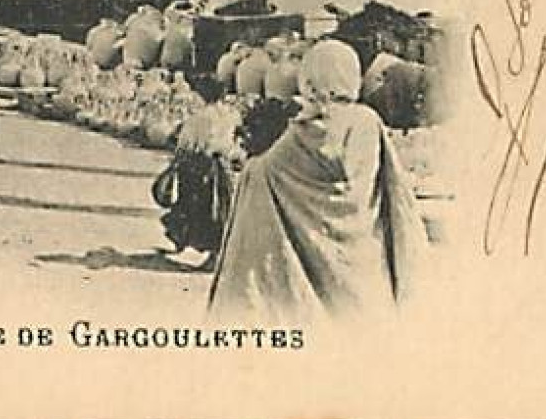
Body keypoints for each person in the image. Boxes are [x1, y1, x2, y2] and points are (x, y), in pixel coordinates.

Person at [209, 38, 429, 319]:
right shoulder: (368, 123)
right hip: (363, 260)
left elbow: (262, 172)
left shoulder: (300, 133)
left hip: (309, 264)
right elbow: (393, 185)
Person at [156, 75, 243, 267]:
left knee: (195, 207)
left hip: (200, 166)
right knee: (219, 208)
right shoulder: (231, 114)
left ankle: (200, 249)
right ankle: (210, 251)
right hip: (223, 165)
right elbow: (236, 138)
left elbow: (186, 143)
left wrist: (178, 157)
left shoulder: (200, 117)